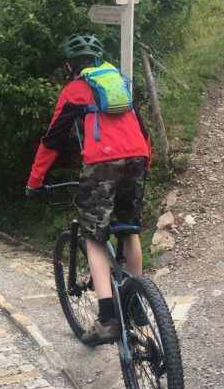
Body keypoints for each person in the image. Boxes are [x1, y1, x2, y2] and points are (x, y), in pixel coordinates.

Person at [26, 32, 151, 346]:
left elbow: (52, 140)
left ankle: (107, 317)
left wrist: (34, 181)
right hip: (137, 158)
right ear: (97, 61)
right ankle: (136, 304)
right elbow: (142, 129)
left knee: (95, 237)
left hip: (101, 164)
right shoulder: (118, 82)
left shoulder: (73, 91)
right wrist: (144, 166)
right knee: (129, 230)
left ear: (70, 65)